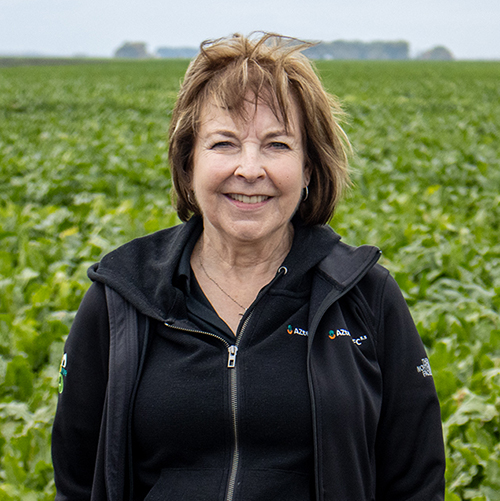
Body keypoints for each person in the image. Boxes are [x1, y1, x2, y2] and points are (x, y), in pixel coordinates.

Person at [52, 33, 445, 501]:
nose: (250, 168)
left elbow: (415, 483)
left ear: (309, 169)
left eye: (277, 145)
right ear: (188, 162)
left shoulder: (367, 297)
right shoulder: (119, 297)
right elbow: (77, 481)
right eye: (224, 143)